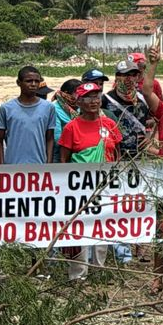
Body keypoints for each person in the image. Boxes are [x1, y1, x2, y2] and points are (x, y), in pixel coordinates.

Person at [56, 81, 120, 279]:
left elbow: (116, 154)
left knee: (103, 225)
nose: (93, 101)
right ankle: (78, 272)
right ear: (79, 102)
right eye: (88, 98)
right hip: (79, 187)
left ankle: (99, 270)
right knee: (79, 227)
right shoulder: (71, 128)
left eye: (96, 96)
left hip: (105, 184)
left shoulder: (109, 124)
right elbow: (64, 159)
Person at [0, 65, 57, 165]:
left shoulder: (48, 108)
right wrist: (1, 165)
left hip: (39, 166)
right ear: (18, 83)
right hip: (12, 166)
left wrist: (49, 163)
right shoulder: (6, 108)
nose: (33, 84)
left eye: (37, 81)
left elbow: (49, 138)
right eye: (29, 81)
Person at [102, 58, 155, 159]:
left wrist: (150, 136)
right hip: (116, 155)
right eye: (126, 75)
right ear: (117, 76)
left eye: (133, 75)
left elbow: (158, 120)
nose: (129, 79)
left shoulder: (144, 98)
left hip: (141, 155)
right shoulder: (105, 100)